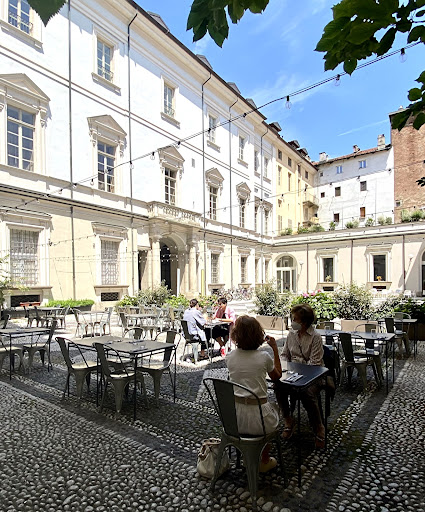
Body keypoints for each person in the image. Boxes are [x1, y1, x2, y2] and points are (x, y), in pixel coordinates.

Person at [226, 315, 282, 473]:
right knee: (273, 410)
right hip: (259, 422)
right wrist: (275, 349)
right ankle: (263, 460)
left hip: (234, 420)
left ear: (235, 335)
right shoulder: (264, 357)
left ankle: (246, 454)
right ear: (259, 334)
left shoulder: (230, 357)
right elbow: (277, 376)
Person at [274, 303, 326, 450]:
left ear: (304, 322)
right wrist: (285, 366)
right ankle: (288, 419)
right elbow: (284, 354)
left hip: (313, 376)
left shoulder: (315, 337)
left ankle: (318, 427)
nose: (292, 322)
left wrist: (297, 365)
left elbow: (315, 363)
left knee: (306, 393)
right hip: (292, 374)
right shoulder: (291, 334)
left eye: (295, 319)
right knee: (278, 386)